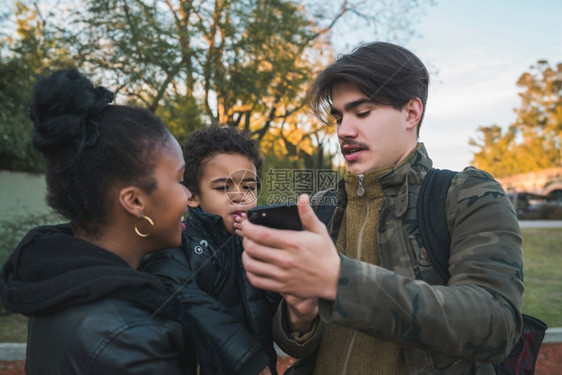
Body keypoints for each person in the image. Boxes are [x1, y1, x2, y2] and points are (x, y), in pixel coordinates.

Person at [236, 42, 524, 374]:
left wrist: (339, 281)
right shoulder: (319, 208)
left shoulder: (466, 195)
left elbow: (495, 324)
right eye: (339, 116)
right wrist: (299, 316)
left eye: (362, 112)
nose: (344, 130)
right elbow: (294, 344)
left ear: (411, 113)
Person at [0, 68, 196, 374]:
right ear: (134, 200)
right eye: (181, 179)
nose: (189, 195)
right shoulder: (130, 337)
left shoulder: (61, 282)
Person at [140, 125, 281, 375]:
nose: (239, 196)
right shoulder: (181, 242)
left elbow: (274, 313)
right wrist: (249, 359)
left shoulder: (258, 245)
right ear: (192, 196)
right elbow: (186, 301)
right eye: (223, 188)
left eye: (248, 187)